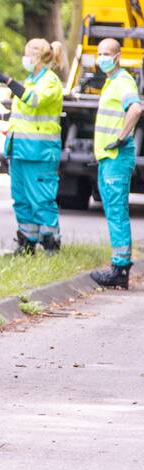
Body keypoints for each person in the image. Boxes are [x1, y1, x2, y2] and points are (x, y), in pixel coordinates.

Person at [0, 39, 65, 254]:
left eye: (28, 54)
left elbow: (33, 101)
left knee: (41, 199)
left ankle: (51, 243)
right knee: (21, 199)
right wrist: (1, 115)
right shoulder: (31, 80)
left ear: (38, 57)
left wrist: (9, 81)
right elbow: (26, 113)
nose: (26, 59)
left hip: (39, 153)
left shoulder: (50, 81)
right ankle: (27, 241)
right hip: (21, 150)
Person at [89, 37, 141, 289]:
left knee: (117, 211)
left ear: (118, 56)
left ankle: (120, 268)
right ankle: (118, 265)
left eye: (107, 53)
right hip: (107, 156)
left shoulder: (123, 81)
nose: (102, 58)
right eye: (99, 53)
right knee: (112, 210)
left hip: (117, 156)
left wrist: (120, 138)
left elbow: (136, 109)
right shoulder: (111, 82)